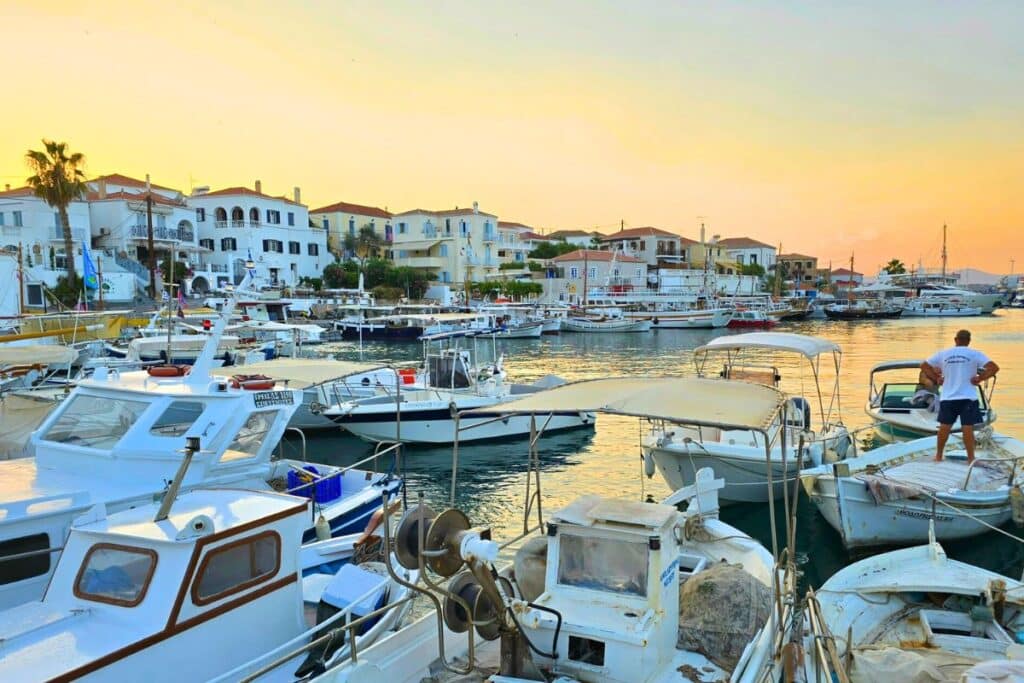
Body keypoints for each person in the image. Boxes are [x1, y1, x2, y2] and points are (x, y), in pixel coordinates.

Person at [920, 329, 999, 462]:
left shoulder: (943, 354)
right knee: (967, 427)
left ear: (956, 340)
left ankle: (938, 456)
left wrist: (936, 378)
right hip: (968, 396)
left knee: (945, 426)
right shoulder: (975, 354)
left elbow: (924, 365)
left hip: (948, 396)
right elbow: (994, 368)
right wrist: (980, 378)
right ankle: (971, 458)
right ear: (969, 341)